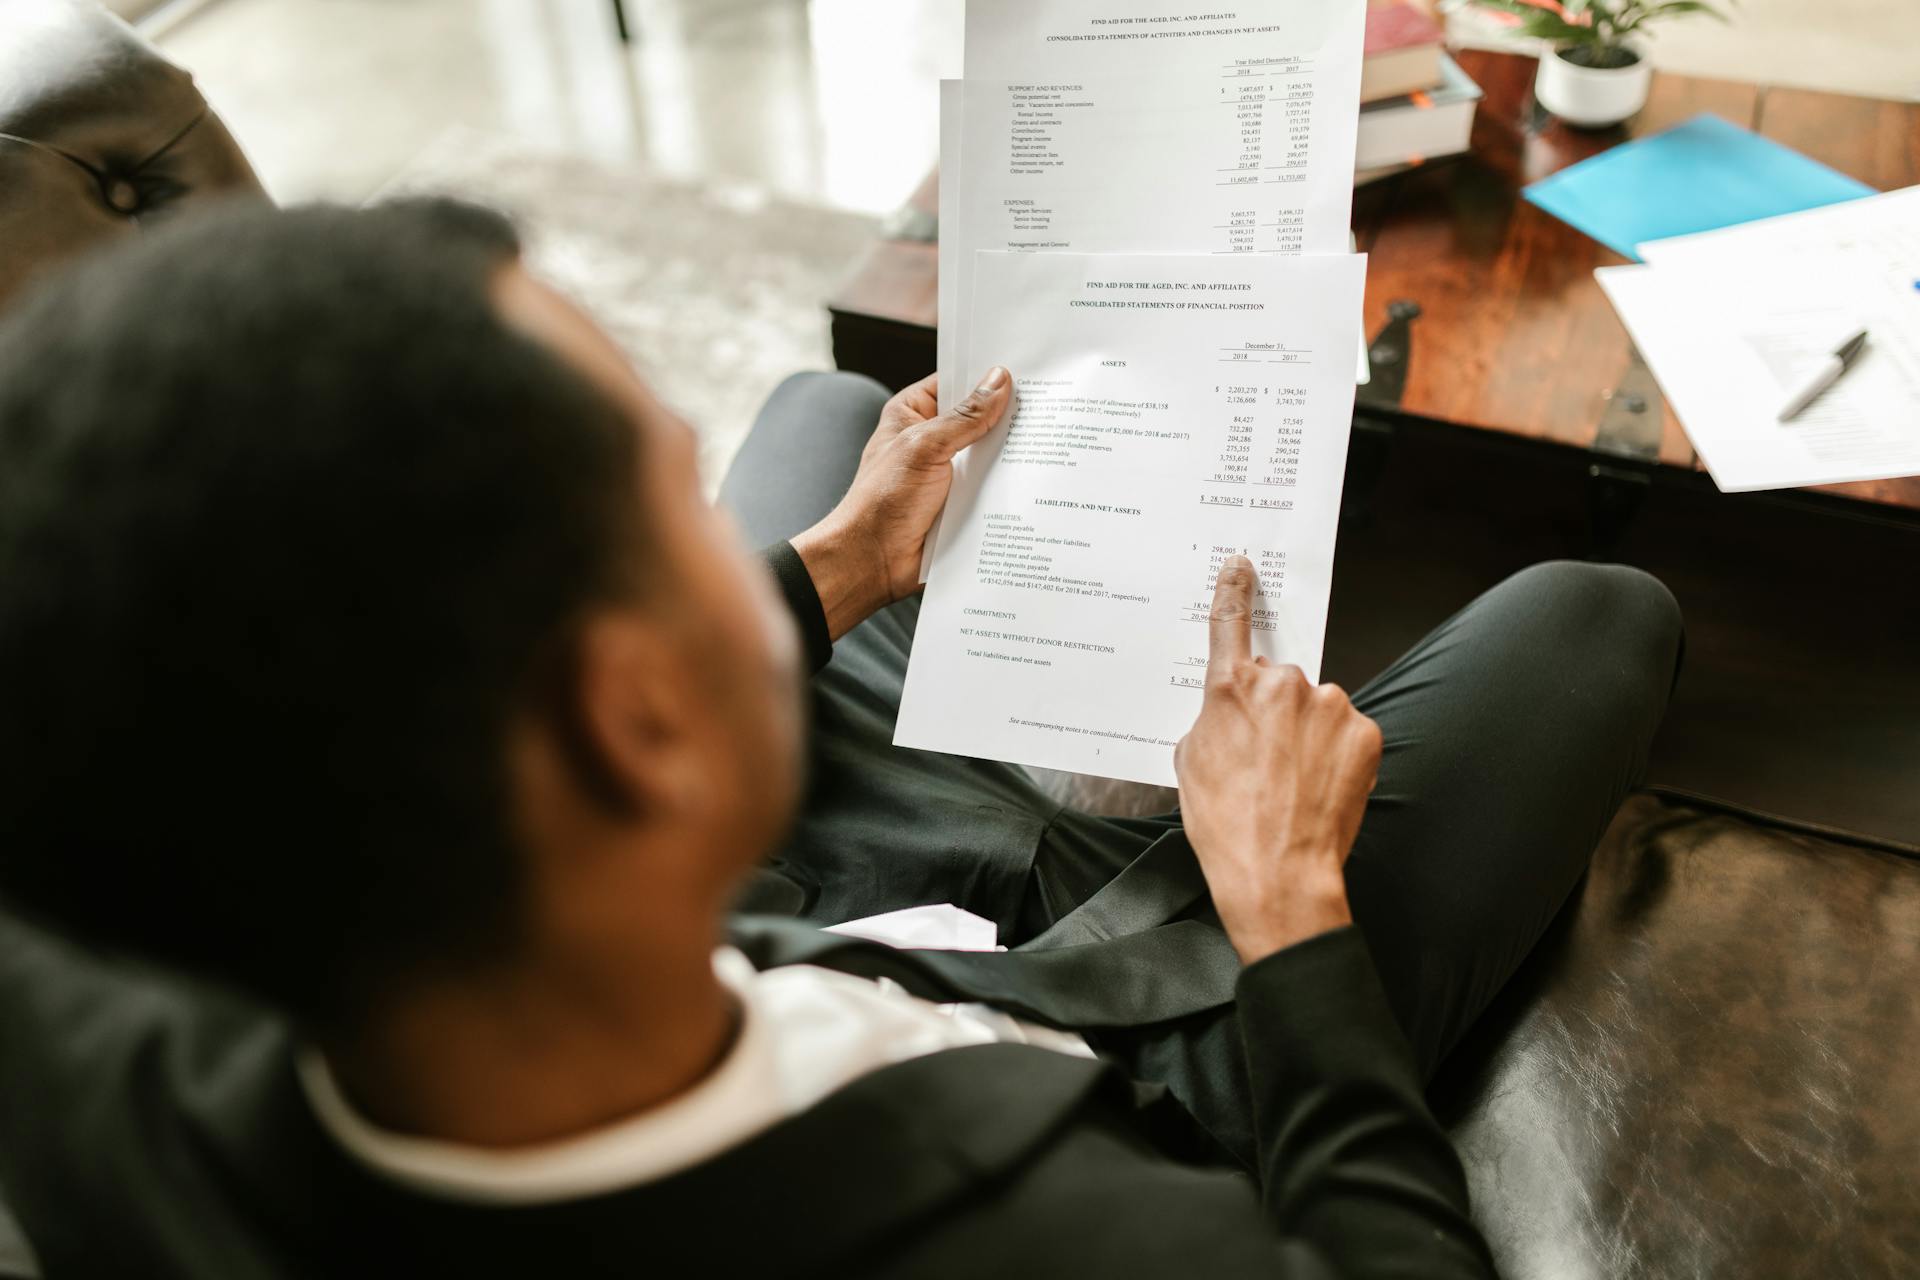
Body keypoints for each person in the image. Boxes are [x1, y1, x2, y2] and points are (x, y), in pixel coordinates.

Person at [0, 200, 1682, 1278]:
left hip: (786, 924)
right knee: (1598, 619)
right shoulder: (1076, 1244)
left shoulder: (111, 1050)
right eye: (668, 494)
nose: (714, 524)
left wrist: (827, 574)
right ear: (634, 726)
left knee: (816, 424)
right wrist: (1292, 908)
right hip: (1144, 1031)